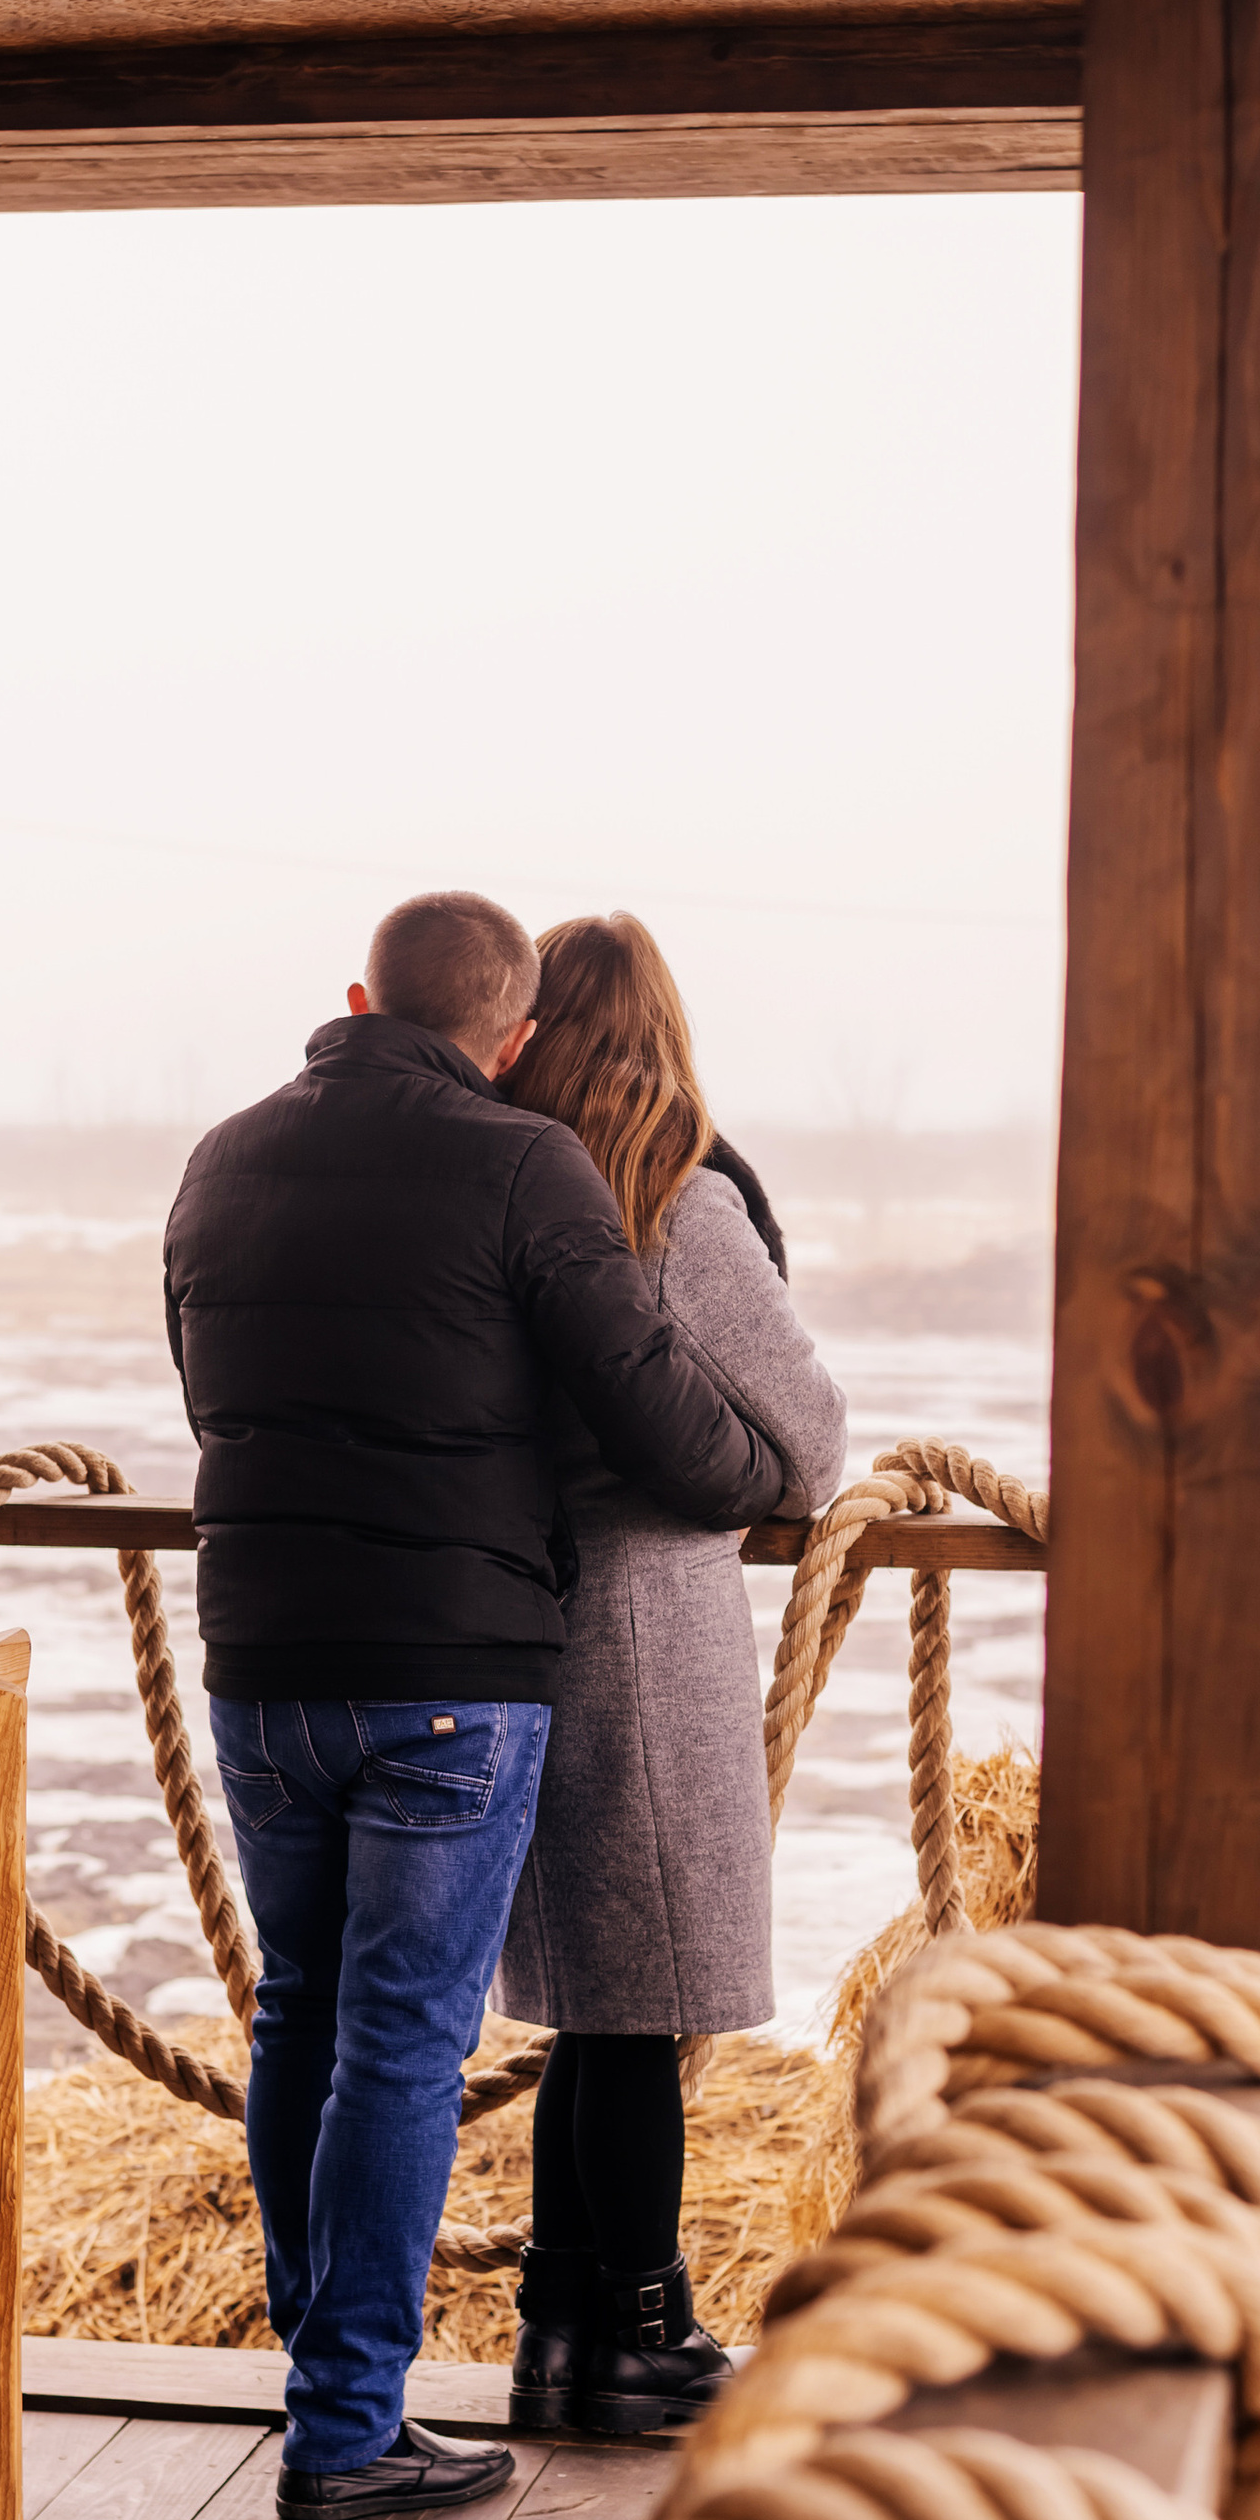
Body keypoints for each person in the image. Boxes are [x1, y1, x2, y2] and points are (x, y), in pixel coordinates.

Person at [163, 891, 791, 2520]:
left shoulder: (220, 1158)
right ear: (508, 1038)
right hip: (450, 1680)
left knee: (299, 2013)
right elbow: (649, 1401)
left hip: (259, 1664)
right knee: (399, 2043)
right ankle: (345, 2427)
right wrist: (756, 1476)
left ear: (359, 992)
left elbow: (205, 1384)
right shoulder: (525, 1168)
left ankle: (325, 2375)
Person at [496, 911, 850, 2437]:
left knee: (596, 2006)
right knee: (641, 2005)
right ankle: (647, 2327)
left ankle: (558, 2333)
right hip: (652, 1623)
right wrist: (750, 1475)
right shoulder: (676, 1200)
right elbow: (813, 1438)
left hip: (522, 1611)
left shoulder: (510, 1190)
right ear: (661, 1033)